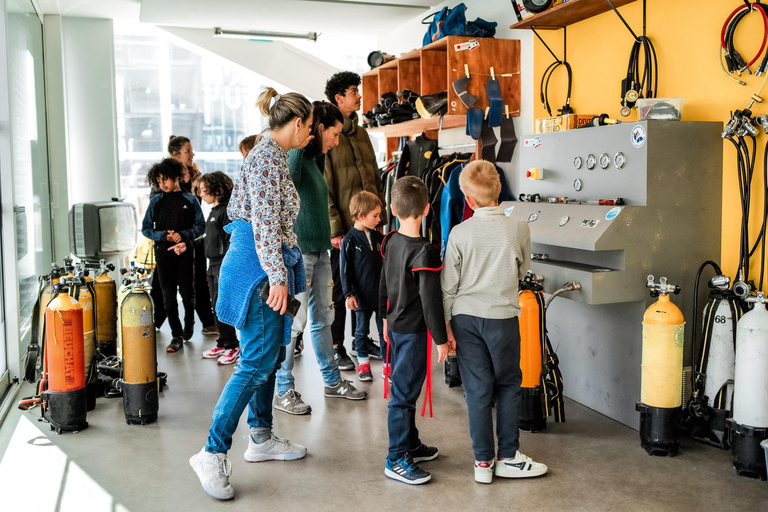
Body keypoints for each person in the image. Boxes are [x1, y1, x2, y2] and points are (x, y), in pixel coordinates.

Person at [189, 88, 312, 501]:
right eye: (309, 126)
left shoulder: (272, 156)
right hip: (257, 273)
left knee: (271, 355)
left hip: (266, 268)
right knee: (256, 362)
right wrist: (278, 277)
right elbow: (262, 226)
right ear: (297, 124)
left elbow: (274, 224)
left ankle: (260, 437)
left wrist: (282, 271)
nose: (310, 134)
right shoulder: (264, 160)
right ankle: (212, 450)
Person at [441, 160, 548, 484]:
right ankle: (509, 457)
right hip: (501, 317)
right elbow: (522, 270)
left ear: (468, 200)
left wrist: (447, 326)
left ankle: (483, 464)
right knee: (507, 385)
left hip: (465, 319)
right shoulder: (519, 229)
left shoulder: (460, 233)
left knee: (476, 389)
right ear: (500, 189)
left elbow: (449, 285)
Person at [275, 101, 367, 415]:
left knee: (323, 320)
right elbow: (283, 187)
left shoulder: (315, 160)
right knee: (295, 324)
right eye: (335, 134)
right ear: (319, 128)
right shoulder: (298, 155)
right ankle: (283, 389)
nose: (337, 141)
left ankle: (331, 381)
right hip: (300, 254)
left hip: (319, 250)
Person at [379, 176, 449, 485]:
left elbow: (383, 283)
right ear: (427, 208)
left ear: (393, 208)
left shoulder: (391, 239)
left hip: (395, 325)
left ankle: (410, 443)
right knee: (404, 395)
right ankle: (396, 458)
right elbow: (431, 301)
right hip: (412, 332)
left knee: (405, 388)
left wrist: (383, 317)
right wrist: (442, 341)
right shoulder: (426, 251)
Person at [324, 71, 387, 371]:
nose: (359, 96)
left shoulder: (361, 134)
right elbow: (325, 186)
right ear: (339, 98)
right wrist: (336, 228)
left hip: (369, 225)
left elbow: (375, 176)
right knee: (341, 288)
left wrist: (380, 216)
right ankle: (338, 346)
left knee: (368, 285)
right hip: (345, 229)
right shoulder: (327, 133)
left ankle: (360, 340)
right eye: (353, 91)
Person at [141, 158, 205, 352]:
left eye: (165, 179)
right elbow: (145, 229)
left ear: (176, 177)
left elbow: (201, 227)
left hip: (185, 253)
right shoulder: (156, 202)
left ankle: (189, 325)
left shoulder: (190, 200)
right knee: (168, 297)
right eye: (159, 180)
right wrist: (163, 236)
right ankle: (176, 336)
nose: (162, 184)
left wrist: (183, 236)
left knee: (187, 294)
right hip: (162, 255)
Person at [169, 135, 219, 338]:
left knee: (199, 279)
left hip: (195, 236)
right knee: (170, 286)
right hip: (174, 239)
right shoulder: (167, 178)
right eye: (188, 151)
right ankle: (160, 322)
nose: (192, 154)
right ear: (175, 154)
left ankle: (207, 323)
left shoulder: (195, 175)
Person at [341, 191, 386, 383]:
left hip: (380, 295)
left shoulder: (379, 237)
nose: (379, 219)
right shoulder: (349, 240)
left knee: (385, 331)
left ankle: (388, 364)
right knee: (361, 331)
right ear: (361, 216)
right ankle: (363, 363)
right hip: (360, 296)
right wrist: (348, 294)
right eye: (375, 216)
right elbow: (344, 270)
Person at [198, 171, 240, 365]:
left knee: (223, 305)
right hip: (212, 264)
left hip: (223, 264)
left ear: (216, 189)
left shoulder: (225, 212)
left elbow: (232, 240)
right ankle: (223, 342)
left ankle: (232, 345)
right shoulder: (212, 212)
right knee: (215, 305)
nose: (201, 193)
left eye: (204, 190)